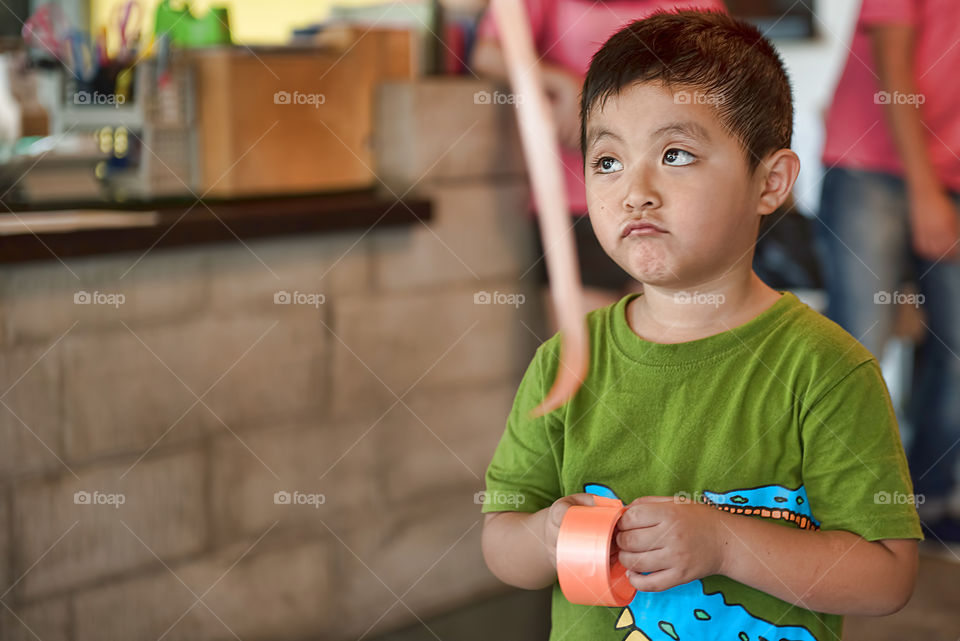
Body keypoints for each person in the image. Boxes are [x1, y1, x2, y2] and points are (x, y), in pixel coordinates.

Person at [480, 10, 921, 641]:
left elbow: (887, 578)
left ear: (770, 183)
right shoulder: (565, 361)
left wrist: (725, 545)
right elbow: (502, 542)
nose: (635, 191)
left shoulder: (826, 368)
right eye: (606, 161)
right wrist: (545, 534)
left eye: (676, 153)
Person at [470, 0, 725, 326]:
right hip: (577, 206)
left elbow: (722, 84)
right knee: (589, 359)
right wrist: (561, 82)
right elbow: (488, 54)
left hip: (674, 205)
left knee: (674, 352)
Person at [817, 0, 960, 542]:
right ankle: (837, 505)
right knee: (860, 345)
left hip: (953, 174)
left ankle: (929, 506)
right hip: (870, 168)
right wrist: (926, 195)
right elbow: (892, 70)